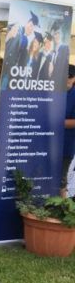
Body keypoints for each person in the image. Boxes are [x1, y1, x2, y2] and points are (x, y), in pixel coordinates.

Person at [61, 65, 75, 198]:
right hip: (47, 144)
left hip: (66, 145)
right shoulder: (53, 92)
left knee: (62, 179)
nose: (66, 79)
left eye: (70, 76)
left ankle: (61, 210)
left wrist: (56, 123)